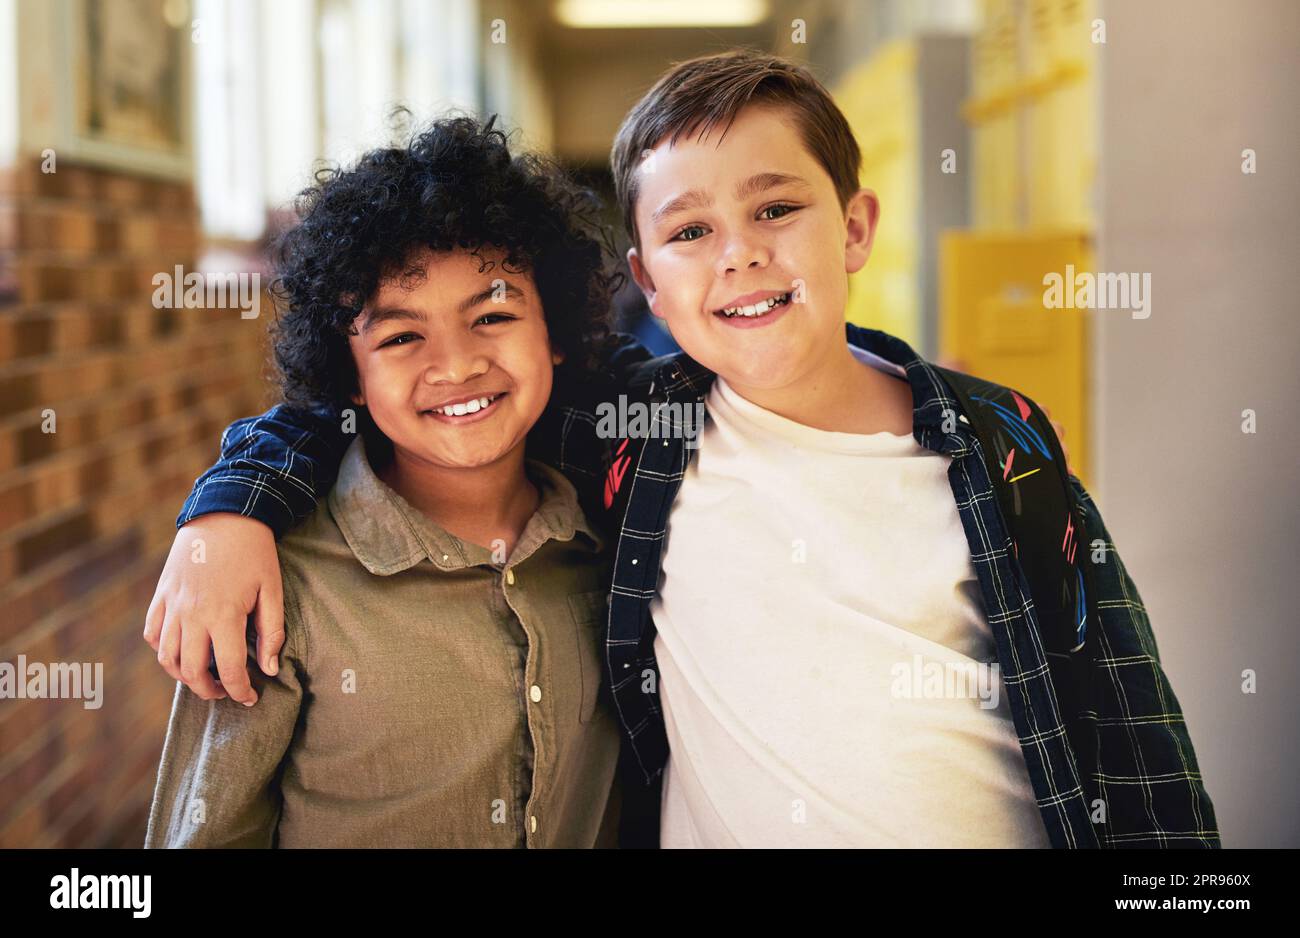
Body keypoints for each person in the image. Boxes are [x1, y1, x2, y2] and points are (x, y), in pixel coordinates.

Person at [145, 52, 1219, 848]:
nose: (741, 253)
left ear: (853, 228)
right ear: (646, 282)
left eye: (777, 207)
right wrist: (229, 504)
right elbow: (377, 394)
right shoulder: (627, 432)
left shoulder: (1000, 445)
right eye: (690, 230)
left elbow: (1131, 721)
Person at [145, 117, 623, 847]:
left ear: (555, 333)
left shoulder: (613, 545)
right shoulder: (275, 590)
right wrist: (223, 516)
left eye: (492, 315)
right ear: (353, 376)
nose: (456, 364)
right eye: (401, 337)